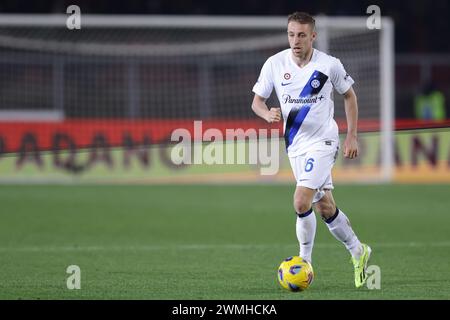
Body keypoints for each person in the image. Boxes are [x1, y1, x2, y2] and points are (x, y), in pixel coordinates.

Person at [251, 12, 371, 288]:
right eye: (291, 34)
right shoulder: (274, 64)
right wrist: (265, 113)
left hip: (324, 142)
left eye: (302, 35)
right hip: (295, 146)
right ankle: (358, 250)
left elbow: (349, 96)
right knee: (325, 207)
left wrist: (352, 135)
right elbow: (256, 101)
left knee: (300, 201)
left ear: (312, 36)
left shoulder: (329, 65)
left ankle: (304, 264)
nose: (295, 40)